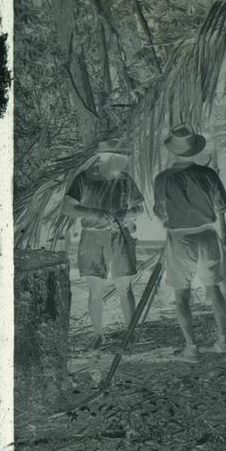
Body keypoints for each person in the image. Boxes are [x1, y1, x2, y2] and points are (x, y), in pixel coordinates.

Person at [153, 124, 226, 361]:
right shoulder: (208, 174)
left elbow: (160, 212)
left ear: (172, 151)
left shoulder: (163, 178)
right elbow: (224, 206)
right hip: (207, 235)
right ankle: (224, 339)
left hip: (181, 238)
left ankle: (192, 347)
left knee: (182, 295)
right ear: (194, 149)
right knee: (214, 287)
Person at [62, 138, 145, 348]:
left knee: (124, 287)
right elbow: (67, 207)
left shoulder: (125, 180)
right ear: (106, 158)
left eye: (125, 160)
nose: (125, 164)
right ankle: (98, 334)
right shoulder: (85, 178)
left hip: (120, 237)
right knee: (95, 290)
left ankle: (131, 332)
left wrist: (128, 213)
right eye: (121, 160)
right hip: (92, 237)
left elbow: (140, 208)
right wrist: (93, 212)